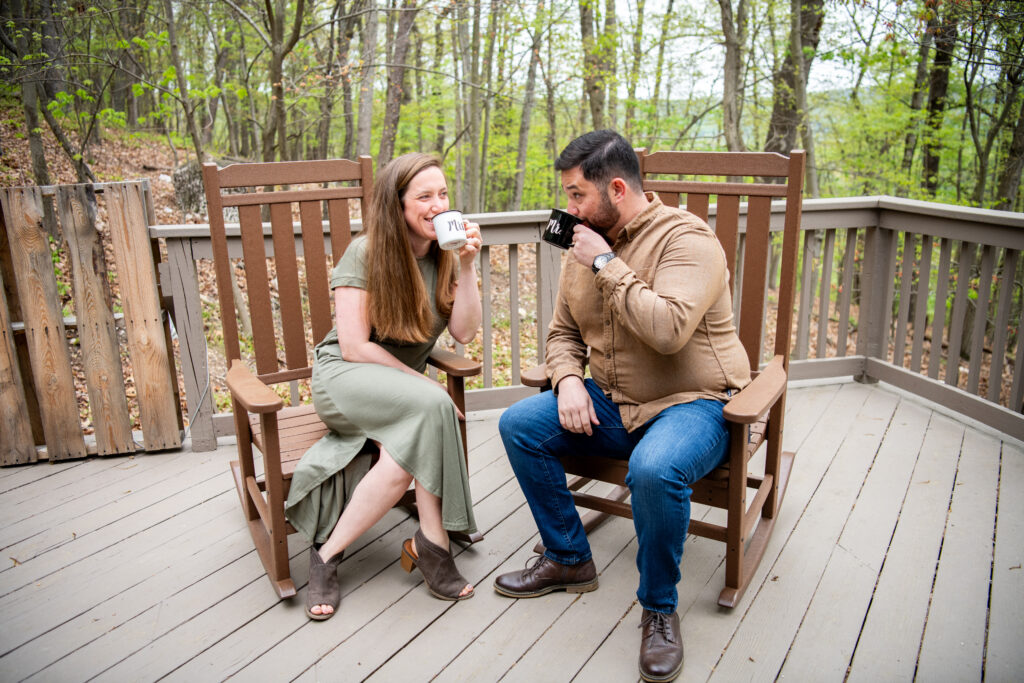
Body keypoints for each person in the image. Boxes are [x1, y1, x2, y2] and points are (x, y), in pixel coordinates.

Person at [493, 130, 751, 682]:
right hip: (614, 401)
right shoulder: (581, 239)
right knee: (519, 425)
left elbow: (669, 332)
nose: (568, 209)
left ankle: (659, 608)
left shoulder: (688, 239)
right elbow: (563, 333)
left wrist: (607, 262)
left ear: (616, 188)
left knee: (654, 469)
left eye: (577, 195)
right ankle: (568, 557)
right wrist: (566, 381)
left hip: (696, 403)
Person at [285, 152, 482, 621]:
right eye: (424, 196)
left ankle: (328, 554)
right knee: (432, 410)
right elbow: (353, 346)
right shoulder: (367, 252)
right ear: (397, 206)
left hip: (402, 395)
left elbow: (465, 333)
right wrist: (425, 385)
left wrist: (469, 265)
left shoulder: (445, 256)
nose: (437, 205)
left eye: (443, 194)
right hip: (346, 379)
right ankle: (433, 545)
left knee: (409, 446)